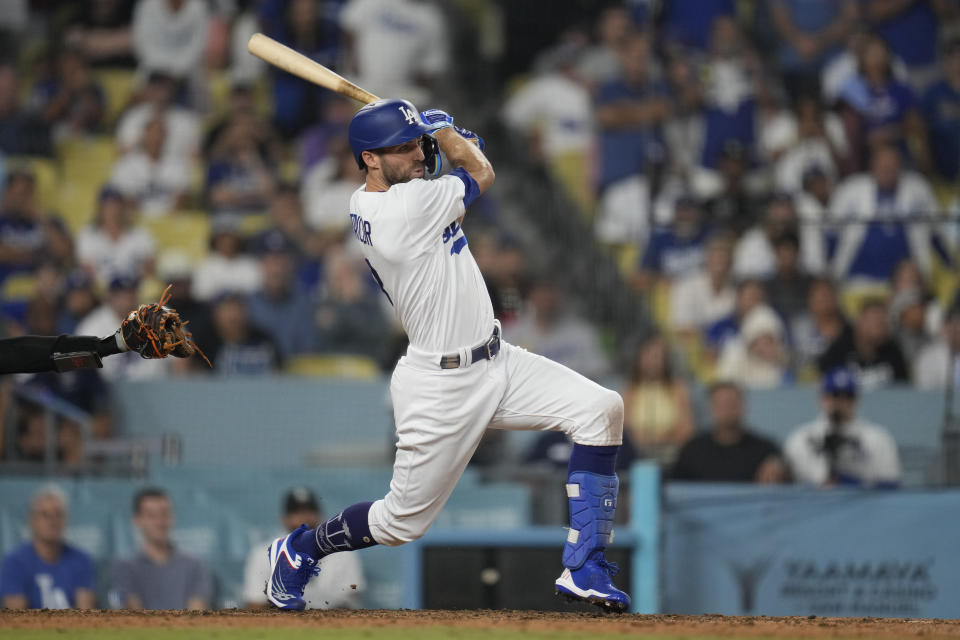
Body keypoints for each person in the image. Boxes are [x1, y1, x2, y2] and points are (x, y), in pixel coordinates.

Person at [264, 100, 630, 612]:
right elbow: (480, 170)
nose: (417, 154)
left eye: (417, 143)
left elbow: (435, 167)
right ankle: (299, 549)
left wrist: (436, 134)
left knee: (602, 408)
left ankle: (584, 566)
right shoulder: (404, 210)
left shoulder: (375, 196)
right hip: (440, 384)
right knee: (399, 523)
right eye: (404, 146)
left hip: (498, 359)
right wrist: (451, 134)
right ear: (370, 159)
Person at [243, 487, 364, 610]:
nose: (304, 518)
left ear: (320, 516)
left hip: (330, 622)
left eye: (308, 512)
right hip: (281, 623)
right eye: (296, 513)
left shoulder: (342, 551)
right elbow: (255, 602)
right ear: (284, 519)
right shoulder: (263, 553)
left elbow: (350, 599)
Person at [784, 367, 901, 488]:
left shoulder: (878, 439)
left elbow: (891, 483)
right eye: (834, 395)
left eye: (847, 396)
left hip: (862, 504)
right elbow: (786, 485)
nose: (840, 402)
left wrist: (853, 484)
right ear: (821, 398)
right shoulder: (799, 438)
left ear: (856, 400)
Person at [109, 487, 213, 610]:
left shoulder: (194, 565)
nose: (160, 522)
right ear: (137, 520)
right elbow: (133, 614)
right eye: (151, 516)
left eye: (165, 514)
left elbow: (197, 611)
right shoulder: (125, 566)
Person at [671, 381, 787, 483]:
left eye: (731, 403)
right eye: (721, 404)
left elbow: (787, 480)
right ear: (711, 408)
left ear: (743, 406)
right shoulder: (692, 451)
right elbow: (675, 488)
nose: (727, 409)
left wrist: (780, 471)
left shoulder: (765, 451)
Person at [0, 485, 95, 609]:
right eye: (45, 514)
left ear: (65, 520)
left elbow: (85, 612)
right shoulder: (14, 563)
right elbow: (16, 615)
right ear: (32, 520)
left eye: (58, 514)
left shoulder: (82, 561)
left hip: (72, 627)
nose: (52, 521)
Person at [621, 334, 694, 465]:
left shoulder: (678, 389)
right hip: (636, 452)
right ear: (639, 358)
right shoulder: (629, 391)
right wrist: (641, 441)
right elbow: (625, 428)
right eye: (649, 356)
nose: (654, 362)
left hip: (672, 452)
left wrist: (665, 438)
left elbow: (687, 428)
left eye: (659, 357)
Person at [818, 298, 909, 389]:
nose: (881, 328)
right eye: (875, 322)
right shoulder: (838, 352)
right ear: (859, 322)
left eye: (884, 323)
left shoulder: (894, 354)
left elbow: (903, 389)